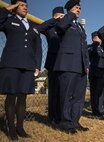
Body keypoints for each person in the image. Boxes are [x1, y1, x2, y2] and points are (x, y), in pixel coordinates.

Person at [0, 0, 42, 140]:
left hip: (28, 65)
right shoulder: (8, 20)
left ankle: (20, 127)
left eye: (26, 5)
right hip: (11, 63)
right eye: (21, 5)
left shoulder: (32, 26)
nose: (25, 7)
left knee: (23, 97)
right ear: (15, 7)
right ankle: (11, 128)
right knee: (11, 96)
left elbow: (38, 47)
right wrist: (8, 8)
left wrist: (37, 65)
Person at [54, 0, 89, 134]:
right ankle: (65, 123)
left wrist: (87, 64)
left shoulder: (79, 27)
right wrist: (70, 15)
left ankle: (75, 121)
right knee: (66, 94)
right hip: (68, 64)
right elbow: (60, 27)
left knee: (79, 97)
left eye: (80, 8)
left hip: (80, 66)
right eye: (76, 7)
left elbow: (84, 47)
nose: (79, 10)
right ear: (69, 9)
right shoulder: (65, 20)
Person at [42, 7, 65, 124]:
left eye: (63, 16)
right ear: (55, 16)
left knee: (63, 91)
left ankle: (61, 115)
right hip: (53, 62)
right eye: (60, 16)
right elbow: (40, 27)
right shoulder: (50, 28)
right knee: (54, 91)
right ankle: (53, 117)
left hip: (65, 63)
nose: (62, 18)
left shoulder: (67, 29)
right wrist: (53, 20)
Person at [88, 31, 104, 117]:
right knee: (94, 93)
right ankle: (95, 111)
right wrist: (96, 43)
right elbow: (91, 54)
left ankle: (100, 110)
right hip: (94, 73)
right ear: (95, 38)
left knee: (100, 93)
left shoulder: (102, 48)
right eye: (99, 37)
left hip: (101, 73)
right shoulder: (91, 47)